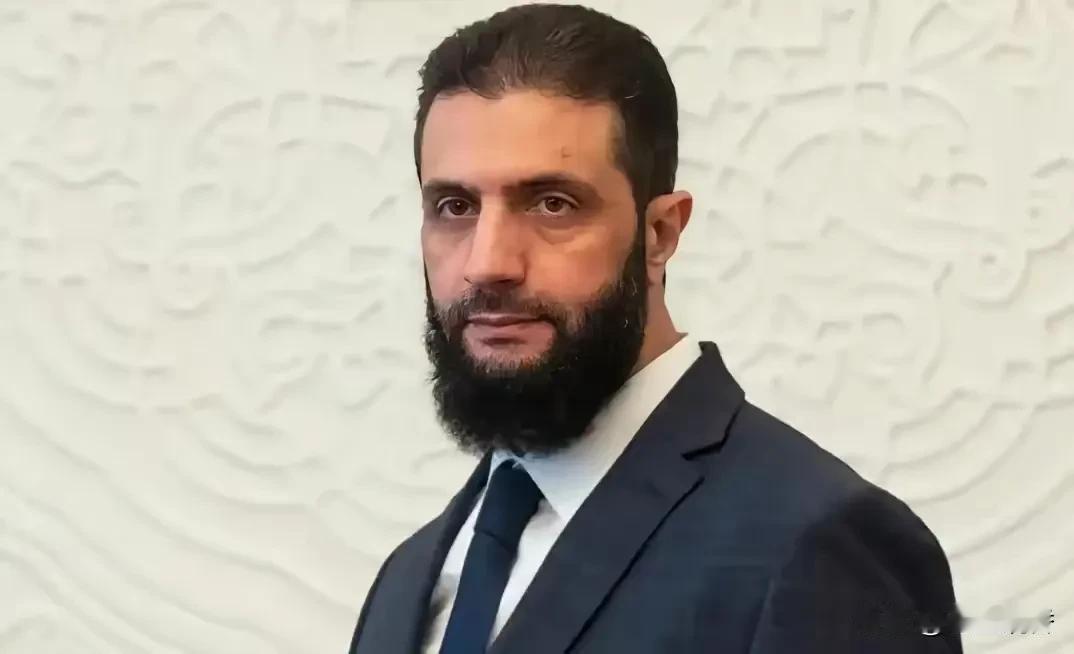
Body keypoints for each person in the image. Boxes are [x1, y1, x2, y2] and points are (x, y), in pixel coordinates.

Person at [349, 4, 963, 653]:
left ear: (661, 233)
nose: (487, 263)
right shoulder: (408, 578)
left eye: (553, 204)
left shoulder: (818, 545)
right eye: (454, 207)